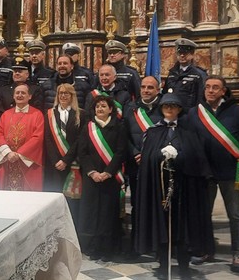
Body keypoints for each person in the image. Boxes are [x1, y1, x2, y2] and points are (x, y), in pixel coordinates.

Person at [133, 93, 214, 279]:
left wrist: (179, 157)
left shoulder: (188, 132)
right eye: (166, 106)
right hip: (159, 188)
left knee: (182, 228)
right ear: (161, 109)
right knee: (162, 225)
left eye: (173, 106)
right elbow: (148, 159)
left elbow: (196, 158)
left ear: (179, 109)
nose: (169, 109)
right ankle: (163, 264)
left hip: (184, 189)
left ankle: (184, 265)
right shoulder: (153, 132)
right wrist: (161, 157)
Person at [187, 75, 239, 273]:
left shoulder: (237, 111)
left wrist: (235, 158)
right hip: (204, 173)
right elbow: (190, 140)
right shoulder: (195, 113)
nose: (210, 91)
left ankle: (238, 252)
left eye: (215, 87)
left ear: (223, 91)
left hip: (228, 171)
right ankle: (205, 250)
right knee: (203, 214)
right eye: (207, 87)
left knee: (235, 214)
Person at [77, 95, 127, 262]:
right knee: (92, 213)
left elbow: (120, 152)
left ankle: (108, 249)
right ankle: (93, 247)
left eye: (103, 106)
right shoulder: (88, 127)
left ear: (111, 109)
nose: (100, 109)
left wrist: (107, 172)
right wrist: (92, 172)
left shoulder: (119, 127)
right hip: (92, 178)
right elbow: (82, 153)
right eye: (97, 106)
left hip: (110, 178)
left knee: (108, 213)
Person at [124, 76, 164, 257]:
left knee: (157, 204)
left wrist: (152, 156)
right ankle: (137, 243)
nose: (146, 90)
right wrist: (134, 153)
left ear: (158, 89)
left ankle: (157, 244)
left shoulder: (164, 108)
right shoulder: (130, 108)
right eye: (143, 87)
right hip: (136, 164)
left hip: (158, 165)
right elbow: (124, 136)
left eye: (150, 87)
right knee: (137, 204)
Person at [44, 84, 85, 226]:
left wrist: (66, 160)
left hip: (73, 163)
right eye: (60, 93)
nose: (63, 96)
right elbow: (48, 139)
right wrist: (56, 160)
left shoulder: (81, 114)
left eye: (66, 93)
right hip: (54, 164)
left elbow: (80, 140)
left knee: (72, 200)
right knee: (54, 197)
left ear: (72, 96)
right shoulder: (49, 114)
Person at [0, 83, 45, 191]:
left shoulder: (37, 114)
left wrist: (19, 153)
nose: (20, 95)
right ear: (13, 96)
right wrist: (8, 152)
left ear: (29, 96)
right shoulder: (6, 114)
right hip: (8, 160)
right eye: (17, 93)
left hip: (26, 162)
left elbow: (37, 137)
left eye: (23, 93)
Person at [163, 38, 208, 112]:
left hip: (189, 114)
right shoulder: (172, 73)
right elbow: (166, 93)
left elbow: (201, 98)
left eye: (185, 53)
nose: (182, 55)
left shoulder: (198, 74)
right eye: (179, 53)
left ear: (192, 55)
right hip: (172, 113)